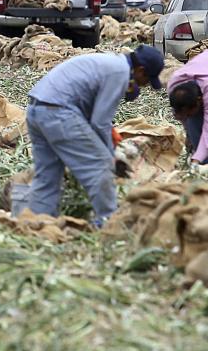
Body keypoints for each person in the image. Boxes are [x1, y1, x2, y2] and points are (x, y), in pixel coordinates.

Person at [23, 46, 164, 226]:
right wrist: (110, 155)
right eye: (146, 80)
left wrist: (107, 139)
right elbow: (100, 122)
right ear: (140, 70)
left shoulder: (109, 62)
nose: (143, 85)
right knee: (101, 166)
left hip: (37, 109)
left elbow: (92, 112)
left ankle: (37, 224)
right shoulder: (119, 72)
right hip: (59, 113)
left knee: (47, 175)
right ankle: (108, 224)